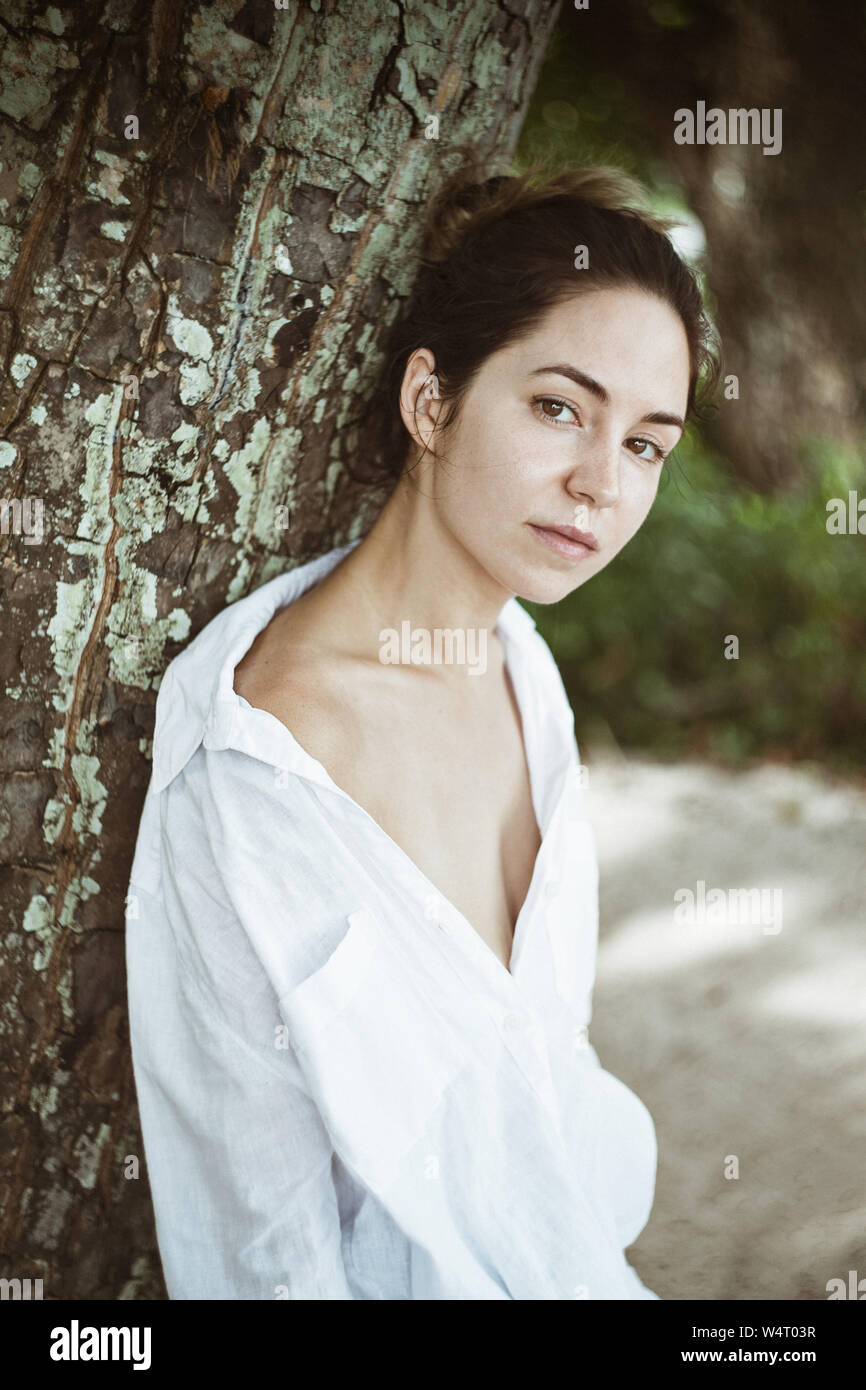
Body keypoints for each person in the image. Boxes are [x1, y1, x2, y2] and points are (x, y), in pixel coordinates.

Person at [125, 158, 719, 1299]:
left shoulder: (522, 673)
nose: (602, 482)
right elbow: (257, 1243)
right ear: (429, 402)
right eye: (559, 407)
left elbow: (544, 1074)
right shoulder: (254, 770)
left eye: (645, 442)